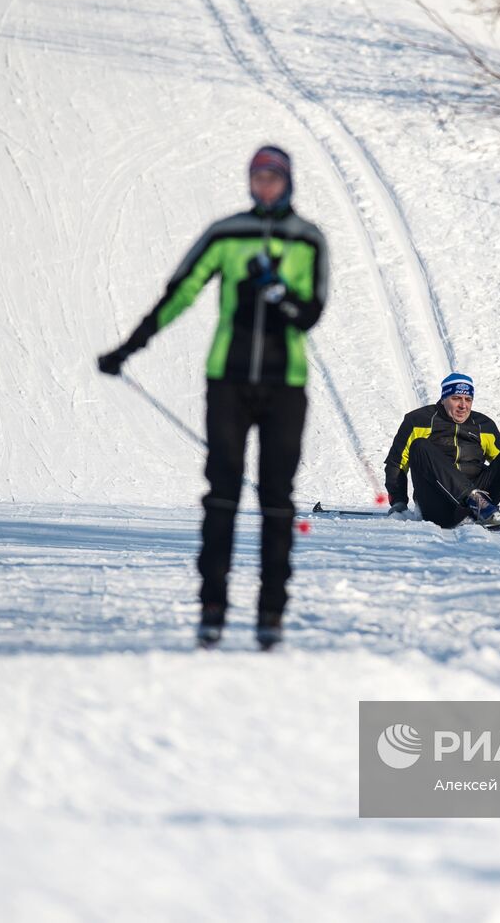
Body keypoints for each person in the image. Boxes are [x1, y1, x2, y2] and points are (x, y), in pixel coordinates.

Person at [97, 145, 328, 650]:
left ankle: (271, 613)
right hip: (227, 381)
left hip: (284, 385)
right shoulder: (226, 233)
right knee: (221, 494)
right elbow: (181, 291)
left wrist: (277, 293)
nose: (264, 186)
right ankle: (213, 607)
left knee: (276, 499)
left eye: (273, 177)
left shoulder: (309, 240)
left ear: (288, 182)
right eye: (257, 177)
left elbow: (311, 313)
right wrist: (129, 347)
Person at [384, 372, 500, 527]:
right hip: (438, 503)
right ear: (443, 399)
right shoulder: (418, 420)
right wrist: (398, 502)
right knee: (420, 446)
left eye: (468, 399)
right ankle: (473, 499)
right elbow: (396, 463)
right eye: (456, 398)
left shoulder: (483, 425)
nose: (463, 405)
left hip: (484, 503)